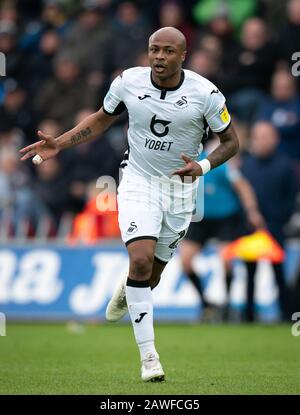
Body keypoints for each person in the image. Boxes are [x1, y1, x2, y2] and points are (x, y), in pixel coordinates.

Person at [19, 27, 239, 382]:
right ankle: (149, 357)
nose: (159, 57)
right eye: (154, 49)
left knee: (149, 275)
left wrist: (203, 166)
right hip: (137, 181)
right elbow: (102, 119)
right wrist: (59, 143)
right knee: (139, 259)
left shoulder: (206, 94)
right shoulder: (129, 82)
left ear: (183, 55)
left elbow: (230, 141)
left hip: (181, 190)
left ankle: (128, 288)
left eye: (168, 51)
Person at [180, 136, 265, 322]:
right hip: (201, 217)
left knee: (226, 261)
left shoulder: (217, 161)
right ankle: (206, 304)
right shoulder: (189, 159)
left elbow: (242, 186)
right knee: (185, 261)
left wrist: (252, 211)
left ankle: (226, 304)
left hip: (226, 217)